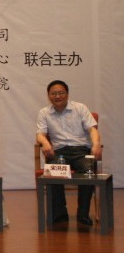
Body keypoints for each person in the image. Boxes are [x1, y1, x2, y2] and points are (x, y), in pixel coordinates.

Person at [36, 79, 101, 226]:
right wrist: (45, 143)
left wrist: (96, 144)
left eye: (61, 93)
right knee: (53, 171)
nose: (57, 96)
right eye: (53, 93)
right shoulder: (44, 112)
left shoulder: (80, 108)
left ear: (67, 94)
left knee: (88, 170)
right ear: (48, 95)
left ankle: (83, 214)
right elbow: (40, 134)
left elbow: (92, 129)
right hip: (59, 152)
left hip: (81, 151)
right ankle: (59, 213)